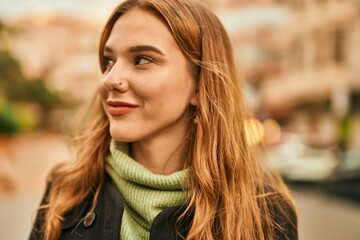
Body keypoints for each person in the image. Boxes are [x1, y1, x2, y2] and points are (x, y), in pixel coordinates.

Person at [30, 0, 298, 239]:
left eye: (143, 59)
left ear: (199, 86)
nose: (109, 79)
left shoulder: (266, 214)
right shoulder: (67, 192)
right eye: (109, 60)